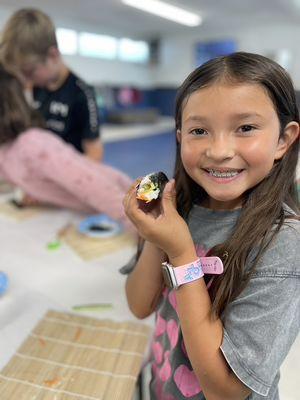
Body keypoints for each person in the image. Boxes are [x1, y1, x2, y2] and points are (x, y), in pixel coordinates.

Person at [123, 52, 300, 399]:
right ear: (180, 136)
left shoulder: (282, 244)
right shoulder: (181, 209)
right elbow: (139, 305)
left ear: (283, 139)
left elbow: (226, 391)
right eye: (199, 130)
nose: (219, 150)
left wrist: (182, 254)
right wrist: (155, 232)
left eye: (245, 128)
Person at [0, 66, 132, 230]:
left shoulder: (32, 144)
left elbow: (98, 188)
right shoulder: (5, 151)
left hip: (123, 199)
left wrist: (141, 227)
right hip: (88, 208)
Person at [0, 8, 103, 162]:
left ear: (53, 55)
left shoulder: (82, 93)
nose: (26, 80)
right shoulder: (32, 85)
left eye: (30, 72)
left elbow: (94, 153)